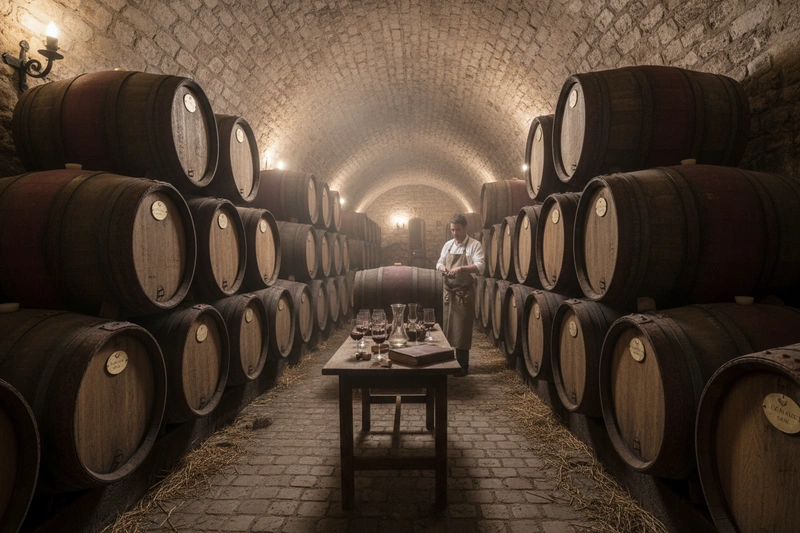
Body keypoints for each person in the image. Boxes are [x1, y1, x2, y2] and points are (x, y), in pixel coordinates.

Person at [436, 213, 485, 376]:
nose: (455, 233)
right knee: (448, 327)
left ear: (465, 228)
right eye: (452, 230)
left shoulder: (474, 245)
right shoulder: (448, 245)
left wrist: (462, 268)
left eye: (458, 230)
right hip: (449, 292)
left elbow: (480, 266)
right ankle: (448, 362)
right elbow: (439, 262)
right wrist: (442, 268)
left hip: (463, 293)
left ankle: (463, 365)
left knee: (462, 329)